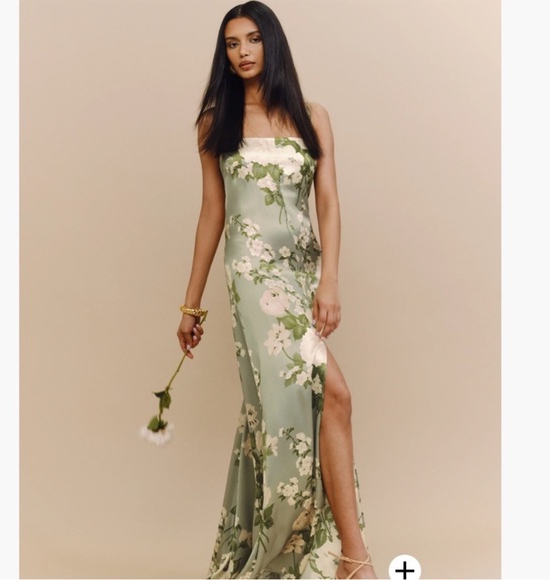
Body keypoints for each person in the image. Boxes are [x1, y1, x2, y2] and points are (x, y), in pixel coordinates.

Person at [176, 2, 376, 578]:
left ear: (272, 43)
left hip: (302, 274)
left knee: (310, 403)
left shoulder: (312, 116)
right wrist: (191, 304)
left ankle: (337, 553)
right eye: (231, 43)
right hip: (252, 280)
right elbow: (212, 213)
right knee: (328, 395)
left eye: (252, 40)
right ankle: (355, 559)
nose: (242, 52)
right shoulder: (215, 122)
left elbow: (328, 202)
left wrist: (329, 280)